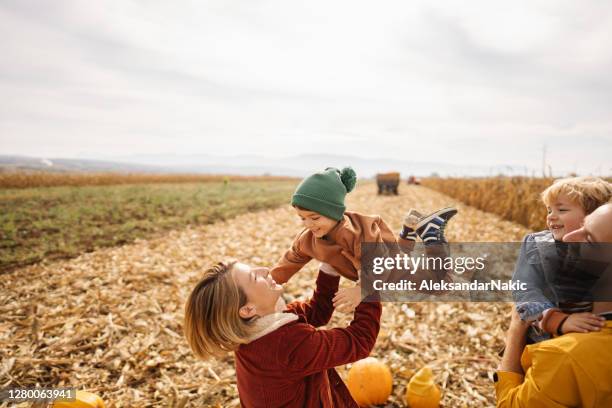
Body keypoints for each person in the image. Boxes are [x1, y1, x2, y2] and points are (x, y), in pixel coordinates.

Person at [183, 260, 381, 407]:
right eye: (255, 276)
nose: (265, 270)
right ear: (248, 309)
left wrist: (329, 265)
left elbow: (317, 312)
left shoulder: (256, 328)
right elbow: (360, 340)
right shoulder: (285, 344)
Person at [270, 166, 457, 311]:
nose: (308, 224)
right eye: (302, 218)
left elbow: (381, 262)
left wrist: (362, 289)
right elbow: (292, 259)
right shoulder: (307, 239)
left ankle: (432, 236)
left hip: (388, 269)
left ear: (334, 212)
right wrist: (271, 280)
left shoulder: (353, 234)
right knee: (401, 255)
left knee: (441, 285)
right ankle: (409, 228)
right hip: (381, 261)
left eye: (315, 218)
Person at [496, 203, 612, 407]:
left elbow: (509, 404)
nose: (568, 238)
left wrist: (516, 328)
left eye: (590, 240)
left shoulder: (567, 356)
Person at [512, 176, 612, 341]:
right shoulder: (537, 244)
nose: (551, 216)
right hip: (543, 337)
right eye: (549, 210)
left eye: (562, 210)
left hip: (592, 337)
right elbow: (524, 288)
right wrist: (556, 320)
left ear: (593, 215)